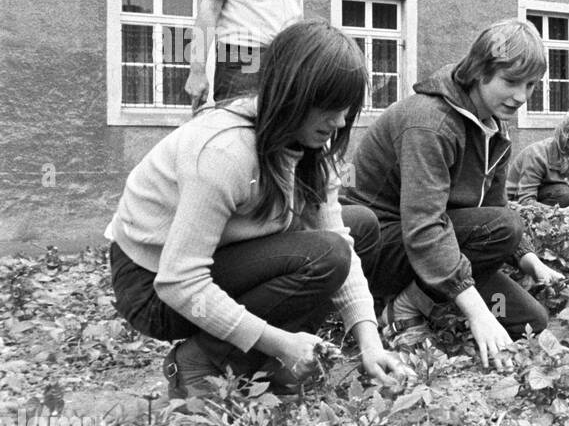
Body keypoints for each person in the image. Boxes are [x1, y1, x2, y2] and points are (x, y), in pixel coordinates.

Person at [106, 20, 409, 402]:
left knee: (358, 228)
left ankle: (258, 366)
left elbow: (342, 243)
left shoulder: (311, 146)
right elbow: (179, 281)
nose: (339, 122)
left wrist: (370, 340)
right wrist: (282, 342)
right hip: (151, 286)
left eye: (346, 109)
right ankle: (199, 362)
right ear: (291, 95)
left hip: (217, 259)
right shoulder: (224, 153)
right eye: (328, 108)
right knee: (324, 256)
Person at [342, 19, 565, 370]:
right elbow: (425, 225)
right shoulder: (431, 123)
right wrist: (477, 312)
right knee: (502, 229)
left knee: (529, 321)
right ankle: (403, 306)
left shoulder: (493, 123)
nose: (521, 97)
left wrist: (529, 261)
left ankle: (424, 298)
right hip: (380, 248)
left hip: (434, 245)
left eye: (531, 86)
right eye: (511, 82)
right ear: (479, 72)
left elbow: (493, 207)